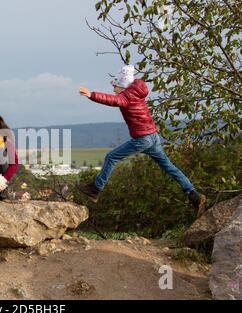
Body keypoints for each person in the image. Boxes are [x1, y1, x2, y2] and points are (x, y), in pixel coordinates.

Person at [77, 65, 207, 216]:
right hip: (153, 137)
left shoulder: (126, 97)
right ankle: (194, 195)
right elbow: (115, 97)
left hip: (143, 139)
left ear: (123, 86)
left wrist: (91, 94)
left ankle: (95, 189)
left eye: (115, 86)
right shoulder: (136, 93)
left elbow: (111, 100)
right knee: (169, 167)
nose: (114, 89)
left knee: (111, 157)